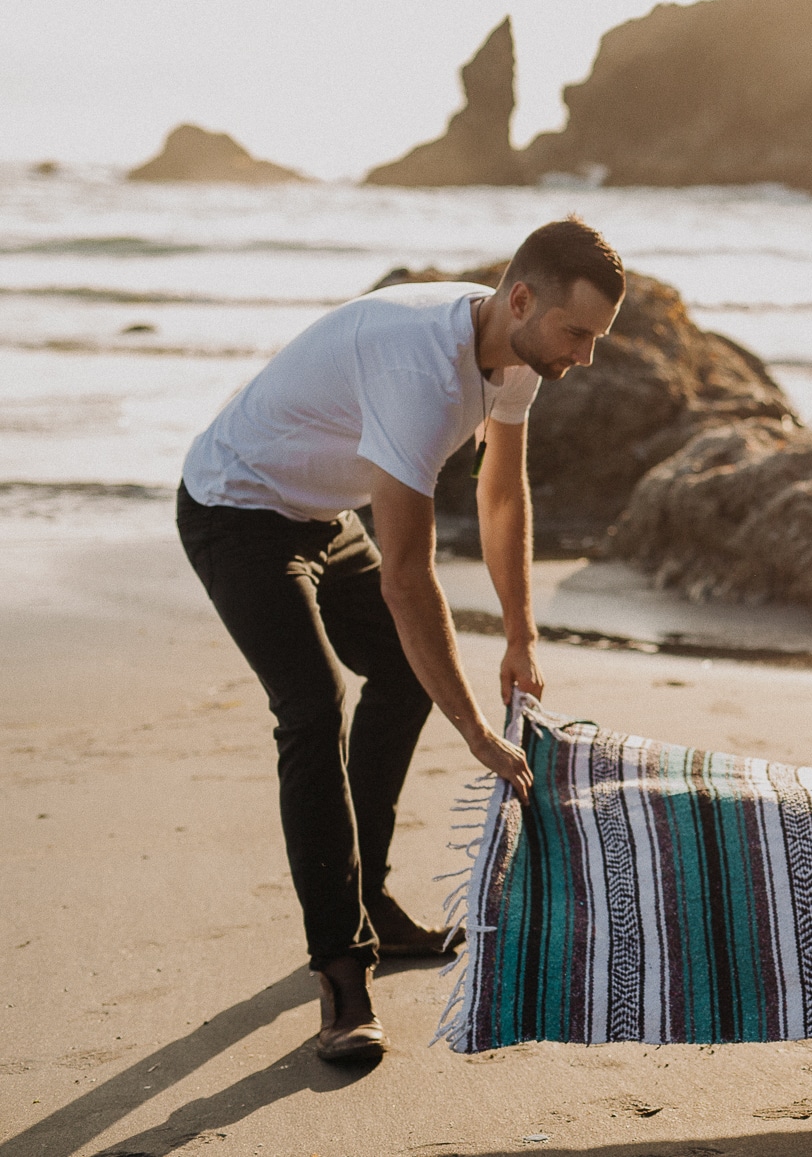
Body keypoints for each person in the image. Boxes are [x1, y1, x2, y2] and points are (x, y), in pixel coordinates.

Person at [176, 218, 624, 1063]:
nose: (585, 357)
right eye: (578, 333)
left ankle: (368, 894)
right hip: (236, 507)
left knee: (405, 670)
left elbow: (501, 494)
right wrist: (474, 730)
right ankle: (342, 974)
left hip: (319, 511)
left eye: (596, 338)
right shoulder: (421, 370)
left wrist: (521, 634)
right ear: (521, 298)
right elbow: (408, 579)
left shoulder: (519, 352)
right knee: (313, 706)